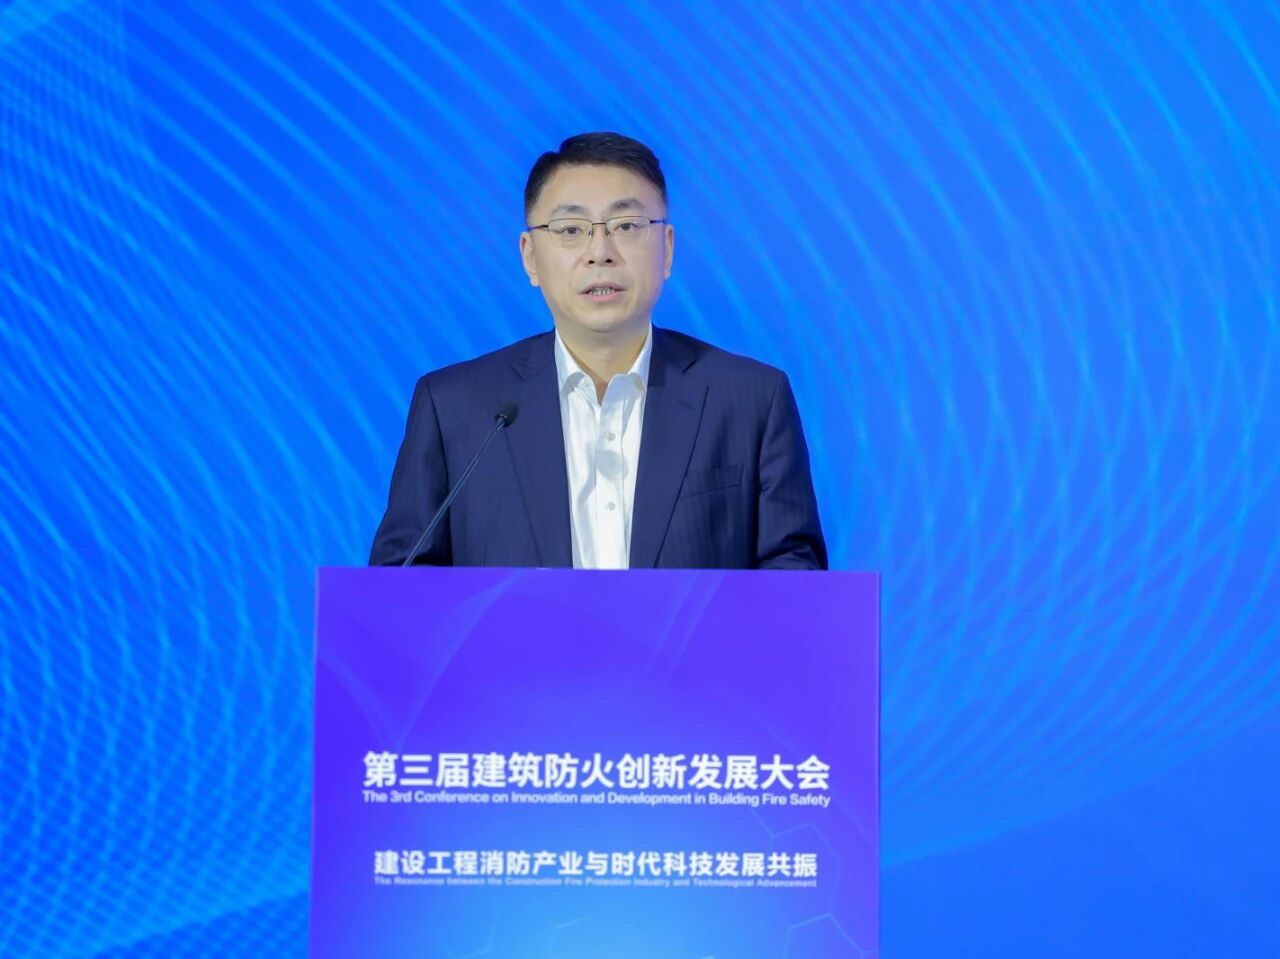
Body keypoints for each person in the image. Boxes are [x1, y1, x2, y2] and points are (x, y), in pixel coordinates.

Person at [369, 132, 826, 570]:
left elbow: (792, 579)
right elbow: (398, 587)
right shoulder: (455, 408)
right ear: (530, 256)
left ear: (667, 249)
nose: (600, 252)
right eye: (571, 229)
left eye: (626, 226)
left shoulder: (750, 400)